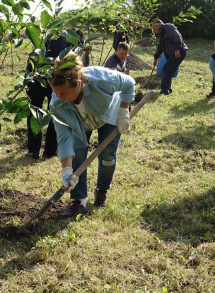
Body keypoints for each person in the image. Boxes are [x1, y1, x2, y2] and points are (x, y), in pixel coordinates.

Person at [48, 52, 136, 217]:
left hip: (109, 113)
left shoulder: (100, 79)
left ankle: (102, 191)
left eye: (64, 94)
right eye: (56, 93)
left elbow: (129, 83)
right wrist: (66, 170)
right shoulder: (57, 103)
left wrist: (123, 110)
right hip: (80, 122)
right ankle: (80, 202)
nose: (59, 98)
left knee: (108, 158)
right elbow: (64, 137)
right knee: (77, 155)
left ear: (79, 84)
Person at [25, 31, 76, 159]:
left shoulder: (41, 42)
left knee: (35, 111)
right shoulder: (68, 44)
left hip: (36, 77)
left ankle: (33, 150)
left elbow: (29, 66)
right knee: (55, 113)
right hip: (55, 79)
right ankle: (50, 151)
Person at [152, 20, 188, 95]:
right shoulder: (163, 34)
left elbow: (177, 36)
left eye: (153, 27)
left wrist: (177, 49)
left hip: (179, 52)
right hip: (174, 53)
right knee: (169, 70)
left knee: (167, 68)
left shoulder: (166, 27)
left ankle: (164, 90)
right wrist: (156, 58)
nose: (153, 30)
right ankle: (167, 89)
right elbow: (160, 47)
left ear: (157, 25)